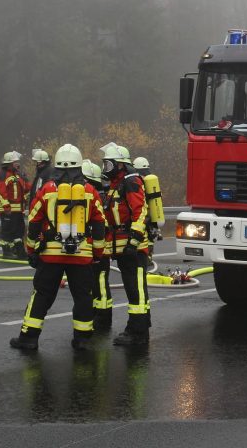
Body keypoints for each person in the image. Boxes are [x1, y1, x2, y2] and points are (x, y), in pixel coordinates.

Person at [10, 144, 106, 351]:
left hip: (50, 255)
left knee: (42, 295)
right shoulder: (90, 191)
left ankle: (28, 339)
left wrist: (32, 250)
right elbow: (100, 224)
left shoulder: (47, 190)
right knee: (83, 296)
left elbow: (34, 220)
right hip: (81, 255)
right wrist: (97, 254)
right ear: (79, 166)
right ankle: (82, 340)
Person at [100, 142, 150, 346]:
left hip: (133, 248)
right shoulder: (116, 185)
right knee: (133, 289)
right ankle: (139, 328)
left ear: (120, 165)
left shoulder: (130, 181)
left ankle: (137, 333)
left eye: (108, 164)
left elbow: (141, 212)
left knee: (136, 289)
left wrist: (134, 241)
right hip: (123, 247)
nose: (105, 168)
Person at [83, 159, 113, 332]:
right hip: (97, 247)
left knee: (100, 282)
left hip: (101, 248)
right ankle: (96, 314)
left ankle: (102, 318)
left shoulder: (97, 197)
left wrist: (97, 251)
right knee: (95, 283)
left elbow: (98, 225)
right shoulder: (100, 194)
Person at [0, 151, 30, 259]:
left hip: (18, 209)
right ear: (9, 163)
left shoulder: (18, 174)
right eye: (16, 162)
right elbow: (0, 191)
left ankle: (18, 250)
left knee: (19, 230)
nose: (18, 164)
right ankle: (7, 251)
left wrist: (26, 181)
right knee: (8, 231)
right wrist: (6, 206)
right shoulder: (2, 174)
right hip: (8, 210)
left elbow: (26, 189)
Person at [133, 156, 164, 258]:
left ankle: (145, 258)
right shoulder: (152, 182)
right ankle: (148, 257)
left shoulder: (137, 182)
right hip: (152, 217)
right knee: (149, 238)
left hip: (143, 216)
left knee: (144, 235)